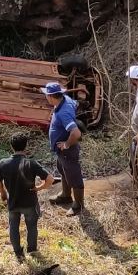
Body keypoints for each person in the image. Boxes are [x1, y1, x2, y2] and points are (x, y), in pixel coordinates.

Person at [0, 132, 54, 258]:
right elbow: (50, 179)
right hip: (29, 203)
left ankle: (18, 252)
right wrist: (39, 188)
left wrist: (3, 194)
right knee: (32, 227)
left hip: (13, 203)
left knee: (13, 226)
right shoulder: (31, 163)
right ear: (26, 146)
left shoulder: (3, 163)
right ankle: (31, 250)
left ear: (11, 146)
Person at [41, 82, 86, 216]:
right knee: (63, 170)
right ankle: (66, 195)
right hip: (61, 151)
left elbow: (76, 133)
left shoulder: (64, 112)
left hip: (68, 150)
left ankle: (78, 204)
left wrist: (66, 144)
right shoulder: (66, 100)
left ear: (50, 96)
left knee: (74, 175)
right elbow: (76, 105)